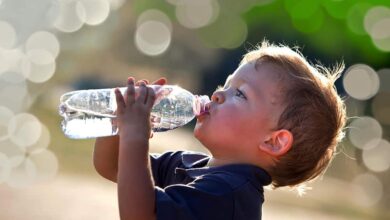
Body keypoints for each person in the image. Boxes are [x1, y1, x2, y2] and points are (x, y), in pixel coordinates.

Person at [93, 40, 347, 220]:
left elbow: (139, 215)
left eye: (239, 93)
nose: (217, 95)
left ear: (273, 142)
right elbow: (112, 165)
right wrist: (119, 122)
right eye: (225, 85)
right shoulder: (188, 164)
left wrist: (136, 136)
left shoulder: (228, 195)